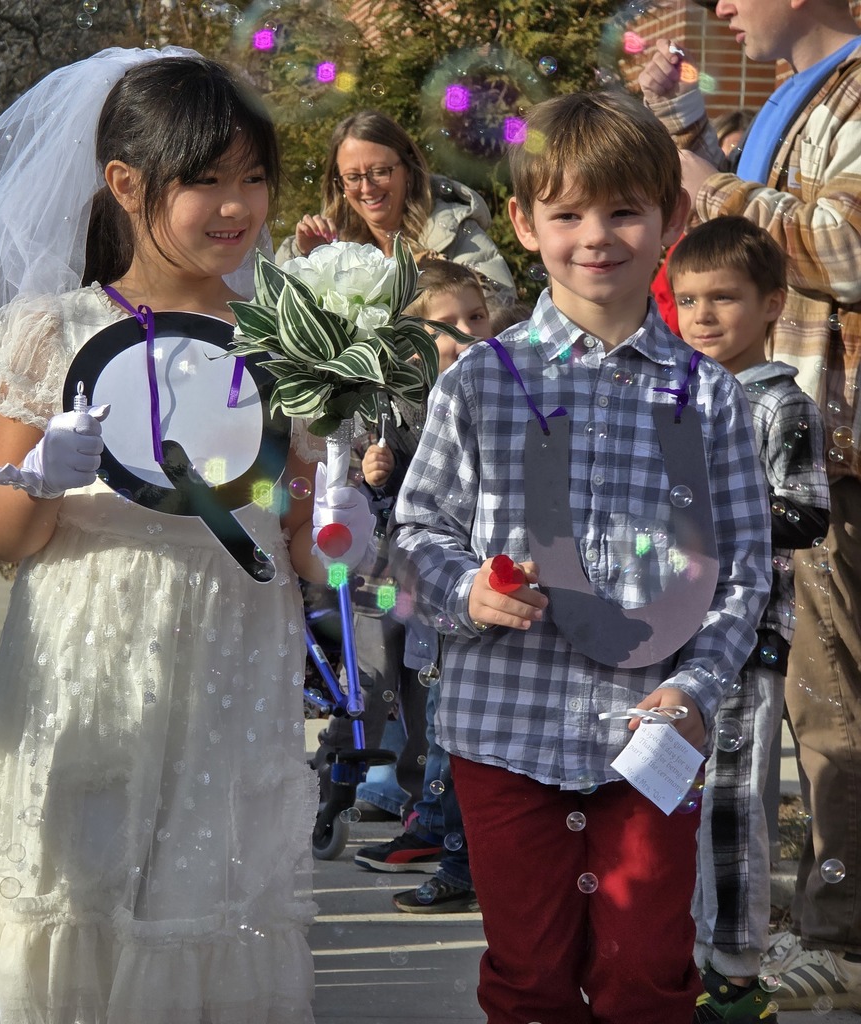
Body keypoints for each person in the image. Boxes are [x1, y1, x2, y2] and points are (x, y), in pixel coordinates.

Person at [0, 49, 325, 1024]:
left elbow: (304, 542)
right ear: (126, 184)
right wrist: (44, 475)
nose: (236, 205)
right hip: (86, 659)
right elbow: (7, 535)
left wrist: (345, 513)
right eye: (205, 179)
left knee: (203, 883)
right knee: (79, 878)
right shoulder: (53, 332)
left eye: (253, 176)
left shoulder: (288, 338)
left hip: (230, 655)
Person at [391, 90, 772, 1023]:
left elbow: (742, 569)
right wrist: (467, 592)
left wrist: (696, 688)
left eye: (624, 211)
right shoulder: (481, 383)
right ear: (524, 223)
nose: (596, 236)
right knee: (530, 975)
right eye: (566, 214)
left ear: (672, 220)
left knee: (648, 971)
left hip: (650, 740)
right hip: (506, 735)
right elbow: (414, 538)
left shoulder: (709, 399)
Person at [639, 3, 861, 1010]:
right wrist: (687, 129)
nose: (720, 5)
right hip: (795, 456)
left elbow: (844, 246)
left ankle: (841, 939)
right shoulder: (801, 95)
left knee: (831, 710)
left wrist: (707, 182)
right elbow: (754, 230)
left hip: (834, 454)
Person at [668, 215, 830, 1022]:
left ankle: (733, 971)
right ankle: (669, 950)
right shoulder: (671, 395)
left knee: (733, 804)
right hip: (661, 636)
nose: (702, 316)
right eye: (687, 299)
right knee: (664, 795)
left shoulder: (781, 407)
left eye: (723, 298)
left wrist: (713, 510)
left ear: (771, 304)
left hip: (745, 640)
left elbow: (807, 515)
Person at [353, 259, 492, 882]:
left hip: (486, 580)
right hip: (432, 586)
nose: (467, 333)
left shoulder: (505, 394)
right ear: (411, 345)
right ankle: (434, 823)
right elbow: (399, 514)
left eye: (476, 316)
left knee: (452, 709)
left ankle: (447, 830)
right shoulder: (404, 411)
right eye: (446, 325)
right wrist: (377, 479)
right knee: (436, 707)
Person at [275, 109, 517, 301]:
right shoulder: (332, 244)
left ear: (408, 169)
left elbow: (498, 310)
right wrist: (310, 257)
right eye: (353, 177)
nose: (367, 188)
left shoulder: (456, 235)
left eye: (380, 171)